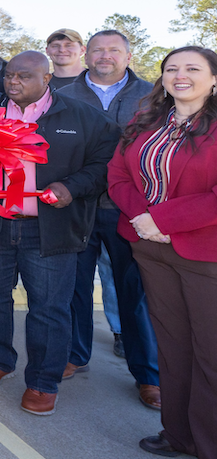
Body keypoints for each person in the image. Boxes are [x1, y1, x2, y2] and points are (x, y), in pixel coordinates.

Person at [0, 51, 120, 416]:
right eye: (9, 75)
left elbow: (106, 164)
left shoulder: (83, 117)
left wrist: (72, 186)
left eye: (23, 76)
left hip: (50, 232)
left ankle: (43, 381)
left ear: (46, 79)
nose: (13, 82)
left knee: (48, 310)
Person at [109, 46, 217, 459]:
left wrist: (165, 219)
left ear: (214, 78)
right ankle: (178, 434)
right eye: (172, 68)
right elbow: (117, 177)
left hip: (205, 255)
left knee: (211, 358)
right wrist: (147, 220)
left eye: (193, 68)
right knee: (171, 347)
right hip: (151, 250)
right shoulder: (146, 121)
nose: (180, 75)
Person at [58, 30, 160, 408]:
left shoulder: (153, 96)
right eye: (97, 49)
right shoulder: (63, 96)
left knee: (135, 293)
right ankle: (74, 354)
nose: (105, 56)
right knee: (74, 287)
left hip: (130, 210)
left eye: (113, 50)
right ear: (85, 54)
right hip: (75, 207)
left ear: (129, 55)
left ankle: (149, 374)